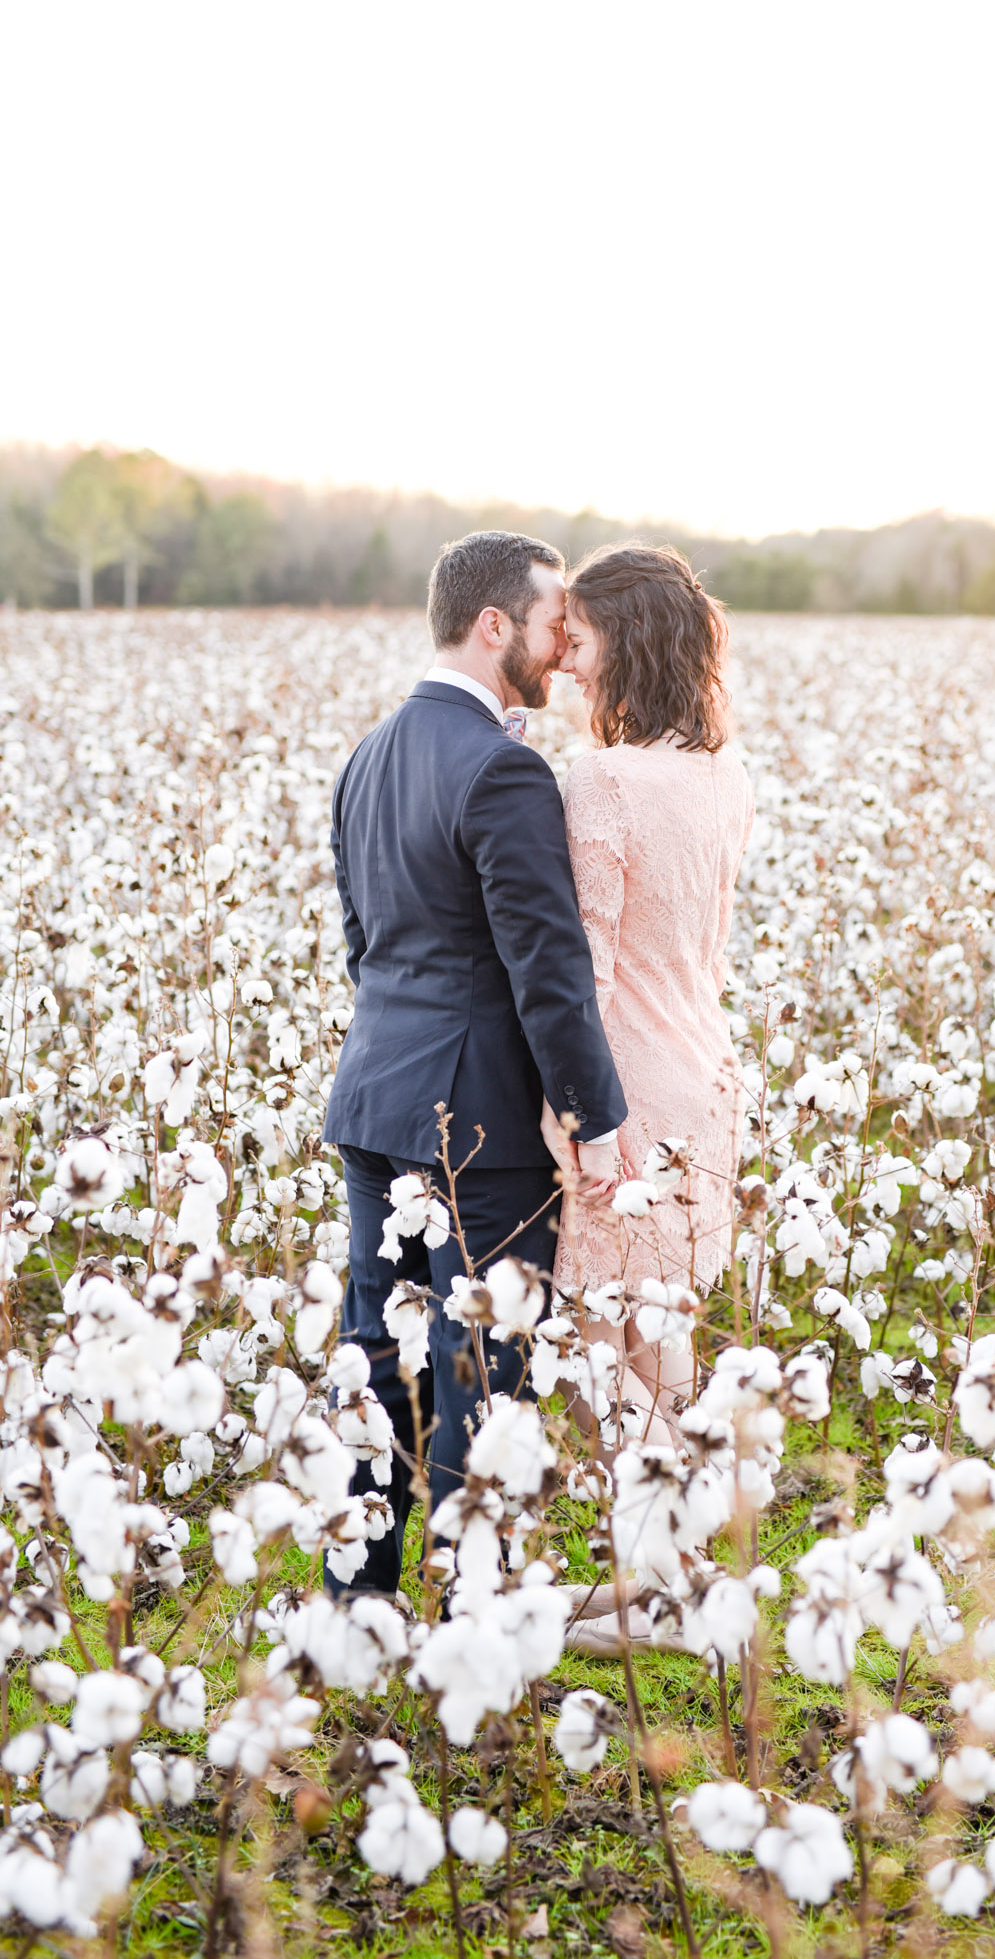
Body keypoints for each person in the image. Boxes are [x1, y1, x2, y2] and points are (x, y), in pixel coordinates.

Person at [322, 530, 627, 1597]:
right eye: (551, 621)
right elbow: (547, 965)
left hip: (373, 1097)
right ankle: (470, 1612)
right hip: (479, 1125)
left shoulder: (367, 753)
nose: (560, 645)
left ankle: (354, 1599)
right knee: (479, 1369)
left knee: (375, 1353)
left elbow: (363, 941)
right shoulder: (502, 768)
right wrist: (593, 1113)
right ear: (493, 624)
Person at [552, 544, 754, 1465]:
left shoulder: (604, 781)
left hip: (624, 1085)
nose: (564, 656)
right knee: (657, 1329)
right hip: (703, 1075)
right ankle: (676, 1582)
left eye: (580, 636)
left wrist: (584, 1117)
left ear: (624, 644)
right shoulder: (727, 774)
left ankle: (667, 1568)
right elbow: (707, 941)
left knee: (581, 1345)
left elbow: (583, 967)